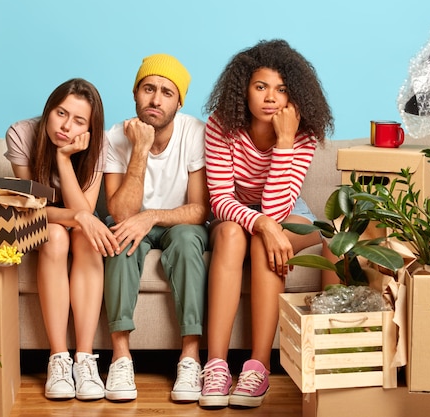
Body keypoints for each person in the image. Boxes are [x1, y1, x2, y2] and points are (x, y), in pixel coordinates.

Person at [199, 39, 336, 408]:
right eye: (261, 87)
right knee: (229, 234)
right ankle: (215, 364)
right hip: (235, 213)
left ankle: (257, 366)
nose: (270, 97)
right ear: (243, 88)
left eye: (281, 90)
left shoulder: (302, 132)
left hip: (289, 212)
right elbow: (220, 200)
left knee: (266, 241)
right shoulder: (221, 125)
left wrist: (286, 140)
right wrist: (261, 223)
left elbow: (278, 209)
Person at [102, 53, 209, 403]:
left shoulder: (195, 132)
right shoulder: (116, 136)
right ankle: (120, 357)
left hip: (178, 223)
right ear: (135, 93)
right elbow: (120, 212)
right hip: (131, 223)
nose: (156, 99)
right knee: (117, 237)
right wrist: (140, 149)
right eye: (149, 89)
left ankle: (190, 357)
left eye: (166, 92)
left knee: (189, 239)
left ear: (179, 101)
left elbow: (199, 209)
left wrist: (151, 216)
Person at [4, 78, 119, 401]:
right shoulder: (22, 133)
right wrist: (78, 217)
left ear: (90, 128)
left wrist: (64, 159)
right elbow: (32, 209)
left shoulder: (99, 145)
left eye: (79, 121)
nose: (66, 127)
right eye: (61, 113)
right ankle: (58, 358)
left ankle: (84, 358)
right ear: (49, 109)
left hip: (77, 223)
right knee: (56, 236)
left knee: (85, 237)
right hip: (40, 223)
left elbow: (83, 212)